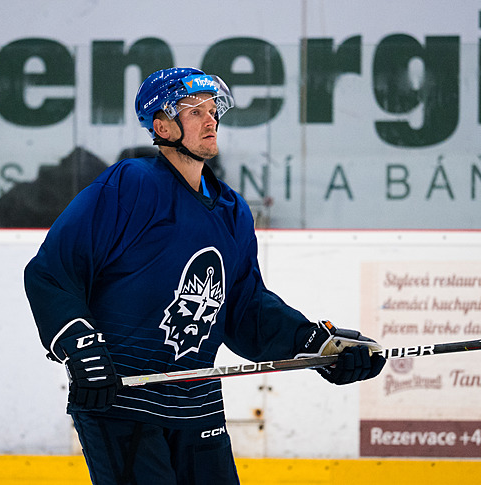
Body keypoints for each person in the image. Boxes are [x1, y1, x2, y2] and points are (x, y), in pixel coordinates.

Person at [24, 67, 386, 485]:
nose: (211, 120)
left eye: (213, 110)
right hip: (122, 403)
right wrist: (79, 348)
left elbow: (246, 309)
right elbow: (51, 273)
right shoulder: (130, 187)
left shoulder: (232, 211)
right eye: (195, 111)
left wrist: (315, 344)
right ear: (162, 125)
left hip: (198, 406)